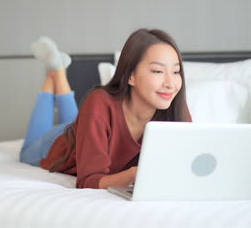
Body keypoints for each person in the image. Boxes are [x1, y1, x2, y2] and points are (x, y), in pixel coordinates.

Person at [20, 29, 192, 189]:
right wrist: (133, 175)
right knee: (27, 151)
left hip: (84, 128)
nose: (170, 84)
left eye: (176, 72)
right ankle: (55, 74)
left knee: (75, 122)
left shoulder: (173, 106)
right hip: (58, 146)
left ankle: (58, 71)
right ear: (130, 75)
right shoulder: (99, 103)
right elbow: (87, 180)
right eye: (157, 71)